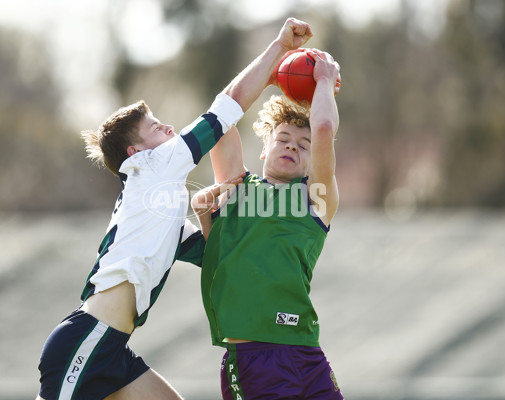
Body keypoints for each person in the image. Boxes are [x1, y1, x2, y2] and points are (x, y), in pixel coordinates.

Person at [35, 17, 315, 400]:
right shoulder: (153, 166)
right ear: (136, 152)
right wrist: (278, 51)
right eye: (155, 127)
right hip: (88, 339)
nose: (168, 129)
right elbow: (226, 107)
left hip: (113, 349)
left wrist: (212, 214)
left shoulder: (157, 203)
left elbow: (215, 254)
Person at [193, 47, 344, 399]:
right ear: (264, 148)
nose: (293, 147)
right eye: (283, 139)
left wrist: (323, 81)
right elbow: (220, 113)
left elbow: (322, 127)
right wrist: (272, 70)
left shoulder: (315, 201)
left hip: (307, 352)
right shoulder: (236, 188)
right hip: (252, 358)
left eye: (304, 146)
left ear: (313, 160)